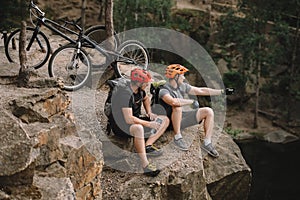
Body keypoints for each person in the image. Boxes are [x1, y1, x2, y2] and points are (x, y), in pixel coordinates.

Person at [158, 64, 234, 158]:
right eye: (182, 75)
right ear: (175, 76)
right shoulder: (164, 89)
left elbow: (201, 90)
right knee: (177, 106)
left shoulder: (183, 86)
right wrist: (191, 102)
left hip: (181, 119)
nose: (184, 77)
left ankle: (207, 143)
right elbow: (172, 101)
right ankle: (177, 137)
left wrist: (222, 92)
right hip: (168, 122)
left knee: (208, 111)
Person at [110, 68, 169, 176]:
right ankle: (145, 165)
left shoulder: (140, 91)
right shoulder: (125, 94)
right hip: (121, 126)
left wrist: (149, 112)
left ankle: (147, 146)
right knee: (139, 128)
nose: (147, 84)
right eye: (146, 82)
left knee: (165, 120)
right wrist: (149, 124)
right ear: (139, 82)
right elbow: (128, 119)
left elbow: (146, 99)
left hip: (135, 120)